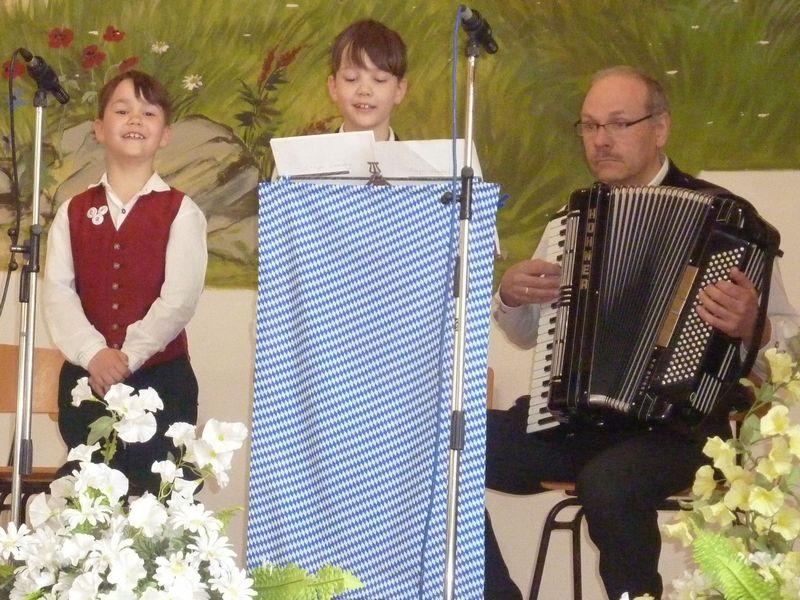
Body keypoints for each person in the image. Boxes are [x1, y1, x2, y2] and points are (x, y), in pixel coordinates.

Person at [485, 65, 800, 599]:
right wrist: (511, 298)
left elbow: (787, 348)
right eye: (590, 126)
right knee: (448, 447)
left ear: (660, 128)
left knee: (610, 484)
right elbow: (527, 334)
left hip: (684, 431)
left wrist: (758, 327)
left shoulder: (728, 221)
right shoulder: (571, 222)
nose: (601, 140)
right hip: (578, 422)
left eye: (618, 123)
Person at [43, 70, 207, 493]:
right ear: (99, 128)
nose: (135, 120)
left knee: (161, 501)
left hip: (163, 380)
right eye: (122, 110)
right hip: (88, 379)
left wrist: (127, 356)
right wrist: (94, 354)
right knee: (90, 502)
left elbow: (179, 300)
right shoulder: (73, 211)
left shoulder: (182, 211)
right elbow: (59, 294)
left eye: (148, 113)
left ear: (165, 134)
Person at [327, 19, 408, 142]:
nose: (364, 90)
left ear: (399, 90)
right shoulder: (310, 155)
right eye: (351, 78)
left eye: (379, 79)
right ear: (333, 87)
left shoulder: (419, 155)